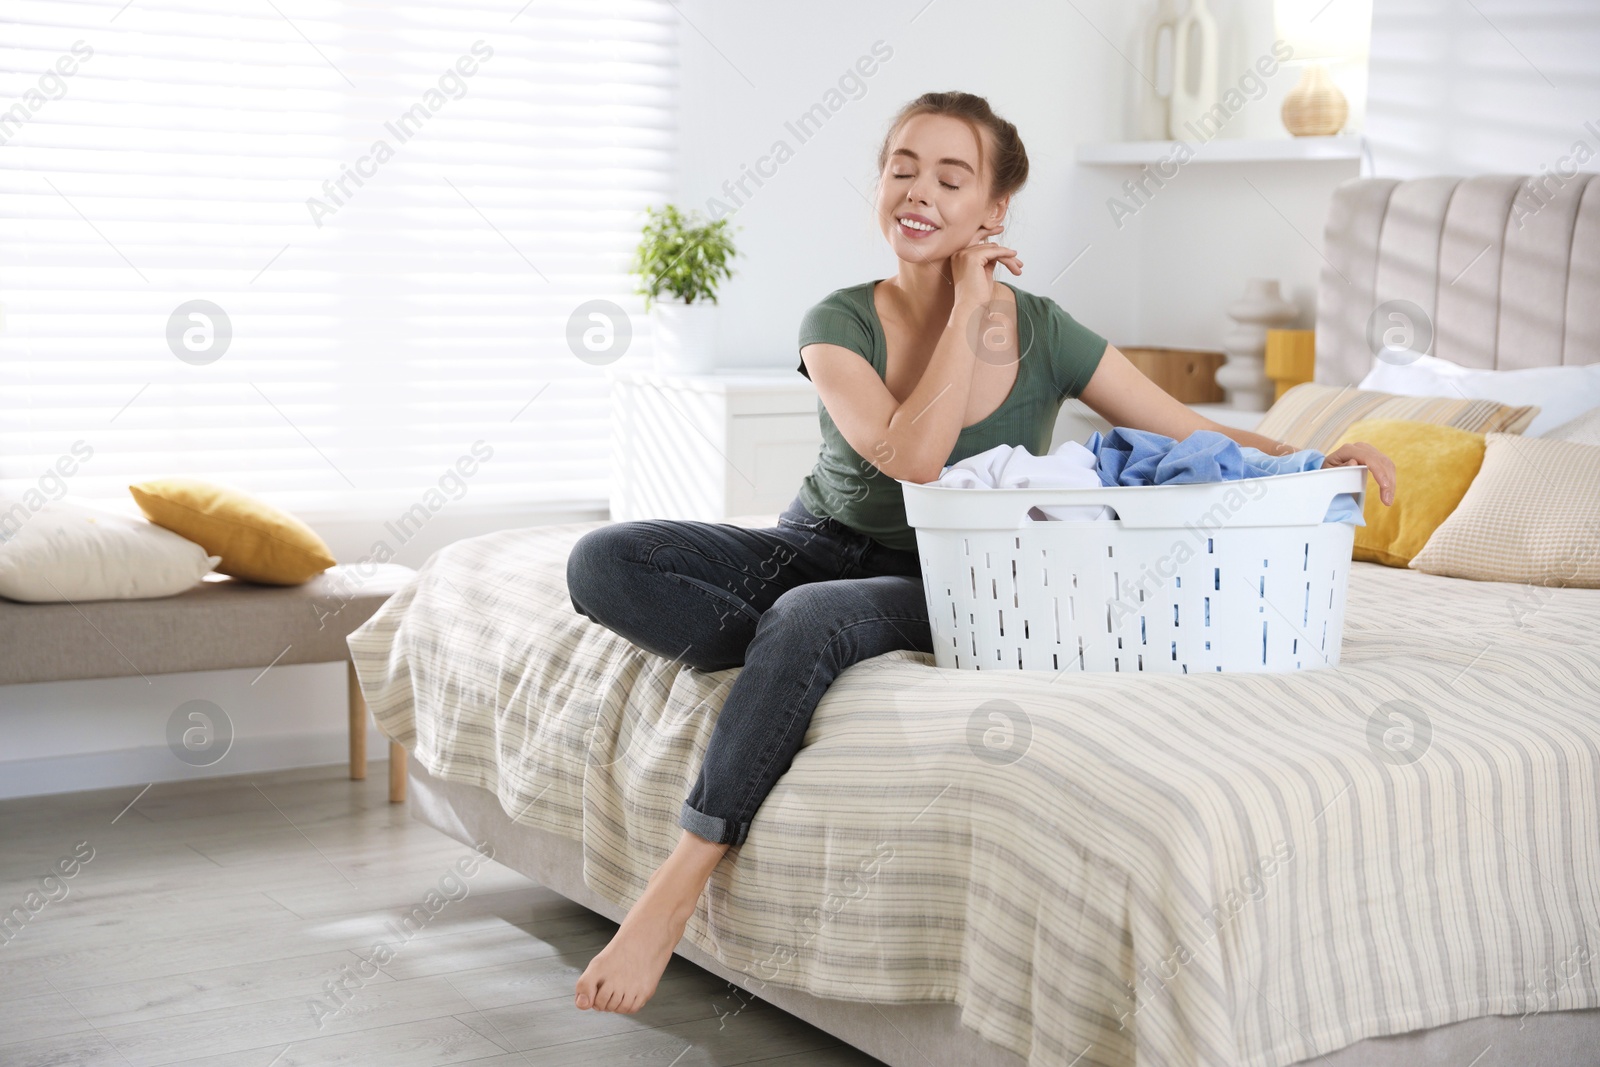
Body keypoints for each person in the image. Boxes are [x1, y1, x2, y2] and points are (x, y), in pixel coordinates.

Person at [565, 90, 1398, 1015]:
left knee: (808, 620)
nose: (918, 192)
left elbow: (1184, 429)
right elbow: (905, 451)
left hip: (951, 576)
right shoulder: (837, 320)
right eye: (902, 168)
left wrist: (1317, 457)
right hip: (810, 543)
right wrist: (962, 308)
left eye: (951, 178)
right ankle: (791, 661)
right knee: (604, 560)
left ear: (994, 212)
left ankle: (681, 877)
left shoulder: (1044, 331)